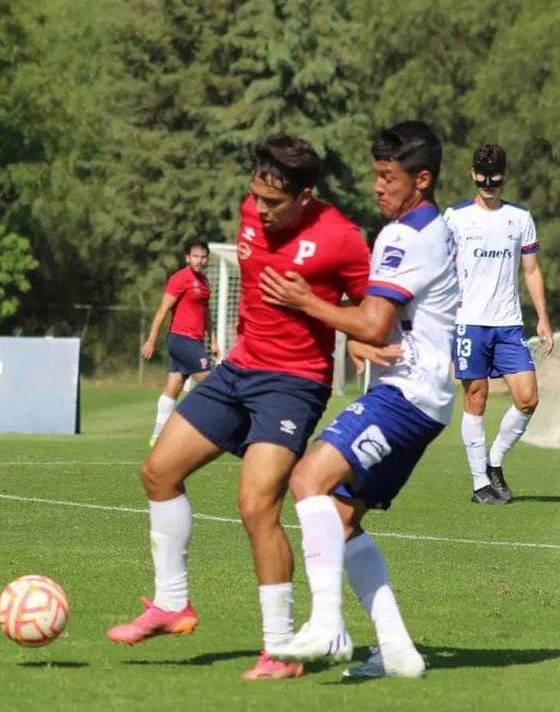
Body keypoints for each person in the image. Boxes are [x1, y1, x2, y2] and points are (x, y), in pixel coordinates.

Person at [106, 135, 371, 681]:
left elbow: (373, 311)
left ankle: (281, 649)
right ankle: (171, 603)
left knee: (256, 506)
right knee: (158, 472)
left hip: (293, 385)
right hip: (238, 370)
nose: (262, 211)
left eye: (275, 203)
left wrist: (318, 309)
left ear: (306, 194)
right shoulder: (251, 208)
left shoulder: (340, 237)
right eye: (257, 198)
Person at [258, 120, 455, 679]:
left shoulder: (403, 236)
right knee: (339, 521)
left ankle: (326, 622)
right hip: (426, 399)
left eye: (387, 177)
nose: (377, 186)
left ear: (421, 179)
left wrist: (303, 301)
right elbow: (388, 323)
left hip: (407, 394)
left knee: (306, 480)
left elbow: (371, 323)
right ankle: (396, 652)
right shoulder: (436, 228)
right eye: (375, 175)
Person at [442, 144, 554, 504]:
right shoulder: (455, 217)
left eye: (495, 176)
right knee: (476, 399)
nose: (488, 182)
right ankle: (479, 485)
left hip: (508, 325)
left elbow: (532, 269)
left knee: (528, 397)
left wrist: (543, 319)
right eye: (482, 175)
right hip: (469, 323)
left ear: (505, 175)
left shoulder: (520, 218)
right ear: (473, 173)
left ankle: (494, 462)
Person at [140, 240, 218, 446]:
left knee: (173, 387)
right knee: (212, 383)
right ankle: (199, 429)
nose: (200, 260)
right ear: (187, 258)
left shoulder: (205, 281)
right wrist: (151, 339)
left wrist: (214, 340)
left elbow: (206, 312)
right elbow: (162, 310)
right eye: (196, 256)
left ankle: (158, 436)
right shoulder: (180, 278)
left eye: (203, 257)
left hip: (196, 341)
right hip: (182, 339)